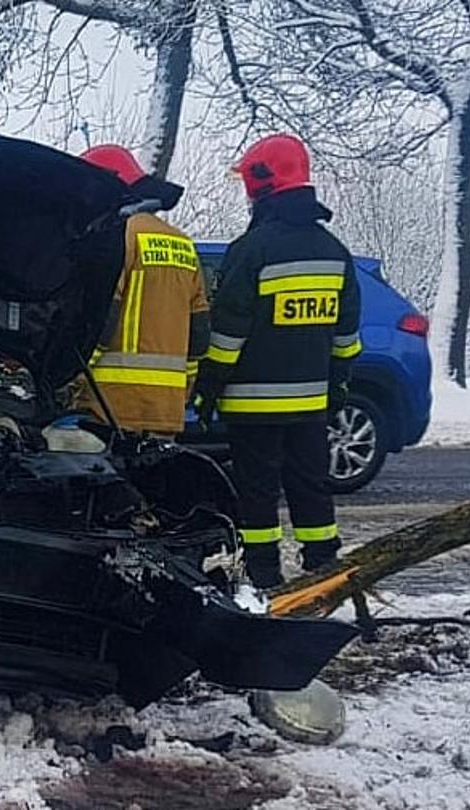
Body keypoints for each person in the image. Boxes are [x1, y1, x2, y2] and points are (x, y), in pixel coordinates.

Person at [196, 134, 360, 589]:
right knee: (311, 483)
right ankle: (323, 565)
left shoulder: (250, 250)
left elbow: (228, 333)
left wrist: (209, 385)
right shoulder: (333, 251)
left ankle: (264, 573)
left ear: (260, 183)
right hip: (310, 402)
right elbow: (346, 335)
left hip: (253, 403)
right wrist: (338, 384)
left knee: (258, 490)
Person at [65, 144, 210, 438]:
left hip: (108, 405)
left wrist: (70, 378)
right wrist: (183, 390)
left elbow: (99, 321)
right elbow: (199, 335)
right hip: (166, 410)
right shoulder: (182, 242)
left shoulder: (116, 238)